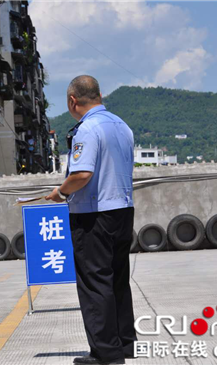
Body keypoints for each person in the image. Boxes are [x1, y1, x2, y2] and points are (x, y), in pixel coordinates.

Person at [45, 75, 137, 365]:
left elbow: (82, 174)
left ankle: (105, 353)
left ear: (73, 101)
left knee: (95, 282)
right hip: (123, 210)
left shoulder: (87, 129)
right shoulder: (122, 126)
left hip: (94, 215)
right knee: (118, 279)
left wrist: (60, 192)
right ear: (99, 94)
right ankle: (124, 344)